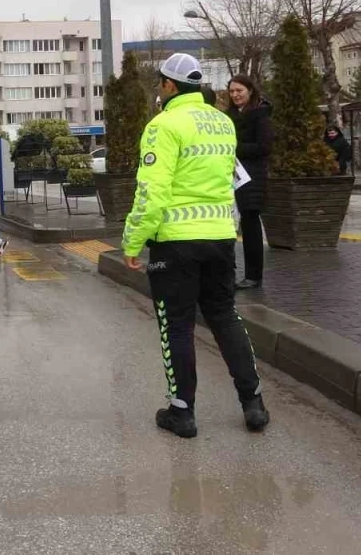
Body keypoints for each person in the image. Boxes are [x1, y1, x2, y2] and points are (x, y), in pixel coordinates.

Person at [122, 53, 269, 439]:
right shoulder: (223, 122)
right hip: (220, 238)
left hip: (176, 244)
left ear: (170, 86)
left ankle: (181, 411)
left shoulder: (163, 125)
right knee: (225, 317)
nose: (159, 90)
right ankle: (253, 403)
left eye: (160, 83)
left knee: (178, 327)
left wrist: (133, 241)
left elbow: (151, 192)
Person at [225, 76, 273, 291]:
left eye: (239, 90)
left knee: (250, 224)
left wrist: (234, 148)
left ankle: (254, 275)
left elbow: (264, 146)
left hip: (251, 177)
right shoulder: (229, 115)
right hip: (231, 174)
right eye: (232, 91)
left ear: (250, 90)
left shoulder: (260, 115)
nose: (235, 95)